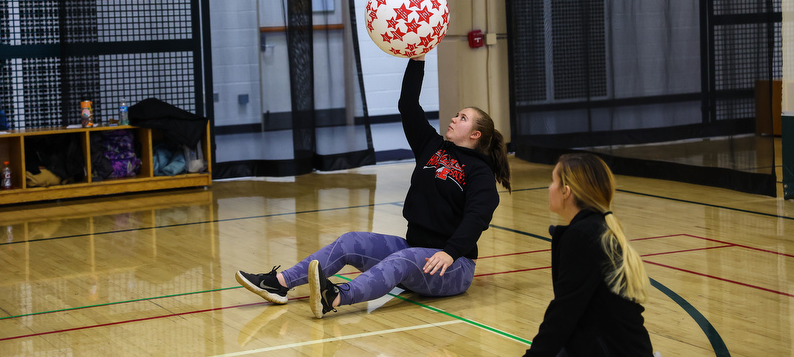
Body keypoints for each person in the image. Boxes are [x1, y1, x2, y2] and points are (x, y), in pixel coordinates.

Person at [236, 55, 511, 319]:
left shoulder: (480, 172)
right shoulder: (432, 146)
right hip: (414, 248)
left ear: (476, 134)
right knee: (349, 242)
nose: (453, 118)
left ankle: (334, 297)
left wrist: (451, 252)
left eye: (462, 118)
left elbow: (477, 218)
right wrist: (418, 60)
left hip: (453, 266)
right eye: (456, 114)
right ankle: (279, 282)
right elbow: (408, 104)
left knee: (403, 260)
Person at [523, 153, 656, 356]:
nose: (549, 188)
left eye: (553, 181)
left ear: (566, 192)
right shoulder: (593, 229)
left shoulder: (583, 236)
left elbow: (563, 314)